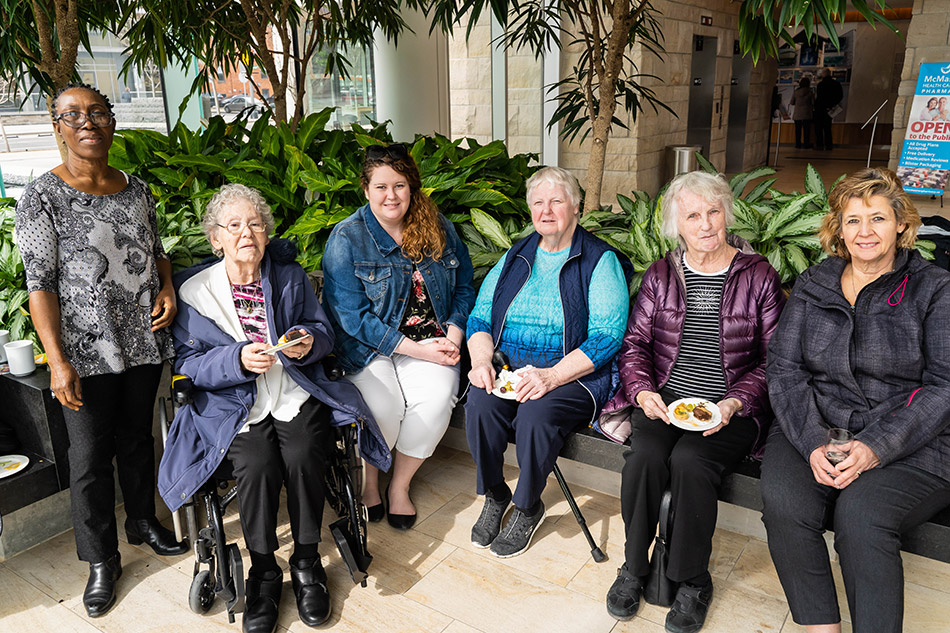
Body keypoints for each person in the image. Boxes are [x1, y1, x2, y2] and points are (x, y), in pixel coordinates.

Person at [159, 184, 387, 633]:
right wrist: (236, 360)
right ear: (216, 238)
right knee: (258, 463)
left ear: (266, 234)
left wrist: (306, 343)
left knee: (305, 451)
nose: (248, 232)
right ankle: (264, 571)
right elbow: (187, 364)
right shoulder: (194, 292)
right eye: (235, 225)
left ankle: (306, 562)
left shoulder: (288, 278)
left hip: (293, 390)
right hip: (233, 405)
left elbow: (322, 332)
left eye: (256, 224)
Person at [14, 83, 186, 618]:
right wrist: (57, 361)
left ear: (112, 121)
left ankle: (141, 522)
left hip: (141, 340)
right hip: (84, 352)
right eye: (74, 115)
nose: (87, 122)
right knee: (88, 458)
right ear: (58, 126)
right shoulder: (41, 196)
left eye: (97, 112)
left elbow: (157, 253)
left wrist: (166, 288)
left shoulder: (136, 190)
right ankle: (100, 559)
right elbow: (38, 284)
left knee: (137, 438)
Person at [762, 168, 950, 633]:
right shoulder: (814, 284)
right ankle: (819, 626)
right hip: (819, 423)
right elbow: (784, 370)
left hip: (911, 438)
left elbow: (944, 386)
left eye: (878, 219)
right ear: (838, 230)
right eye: (852, 220)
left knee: (862, 518)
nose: (864, 232)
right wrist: (809, 441)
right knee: (785, 501)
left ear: (902, 225)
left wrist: (875, 447)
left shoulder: (934, 289)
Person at [600, 171, 784, 632]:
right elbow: (636, 344)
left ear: (727, 214)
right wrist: (642, 390)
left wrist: (735, 402)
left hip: (733, 405)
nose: (705, 224)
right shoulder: (662, 273)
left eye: (713, 211)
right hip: (667, 395)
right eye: (692, 215)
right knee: (644, 456)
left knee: (691, 461)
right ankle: (634, 567)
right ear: (676, 226)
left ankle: (692, 579)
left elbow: (776, 358)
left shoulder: (757, 274)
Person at [465, 166, 632, 558]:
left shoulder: (599, 260)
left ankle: (527, 505)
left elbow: (608, 337)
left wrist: (552, 376)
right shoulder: (515, 255)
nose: (547, 210)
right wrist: (481, 361)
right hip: (512, 369)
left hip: (575, 375)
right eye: (538, 202)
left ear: (576, 206)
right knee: (480, 403)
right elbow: (479, 317)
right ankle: (494, 493)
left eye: (557, 200)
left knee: (536, 415)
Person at [322, 143, 475, 530]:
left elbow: (464, 287)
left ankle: (399, 487)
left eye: (400, 185)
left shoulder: (438, 227)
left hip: (433, 341)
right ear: (366, 189)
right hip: (368, 349)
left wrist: (453, 337)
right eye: (381, 187)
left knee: (437, 401)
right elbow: (352, 318)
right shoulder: (347, 238)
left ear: (413, 187)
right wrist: (417, 351)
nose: (391, 196)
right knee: (383, 408)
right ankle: (370, 481)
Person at [814, 68, 843, 151]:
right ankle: (828, 145)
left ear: (823, 74)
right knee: (827, 128)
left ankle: (819, 145)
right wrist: (831, 105)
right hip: (830, 109)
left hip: (820, 109)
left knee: (818, 128)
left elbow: (820, 97)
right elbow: (840, 96)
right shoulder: (836, 84)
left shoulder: (821, 85)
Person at [790, 76, 815, 149]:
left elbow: (792, 102)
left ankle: (798, 144)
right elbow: (813, 102)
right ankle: (806, 144)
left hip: (797, 114)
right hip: (807, 114)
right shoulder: (810, 92)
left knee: (798, 131)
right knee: (806, 131)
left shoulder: (796, 92)